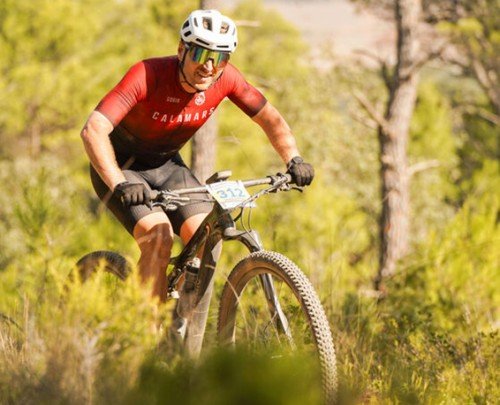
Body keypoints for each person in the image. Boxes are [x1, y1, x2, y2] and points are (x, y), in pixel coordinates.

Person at [80, 9, 314, 302]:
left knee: (206, 235)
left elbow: (270, 118)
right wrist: (119, 183)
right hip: (121, 168)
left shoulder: (226, 79)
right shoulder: (148, 75)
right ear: (182, 50)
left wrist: (294, 159)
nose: (209, 67)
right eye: (201, 54)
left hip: (167, 167)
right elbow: (93, 130)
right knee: (159, 237)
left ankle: (181, 318)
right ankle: (145, 326)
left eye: (220, 58)